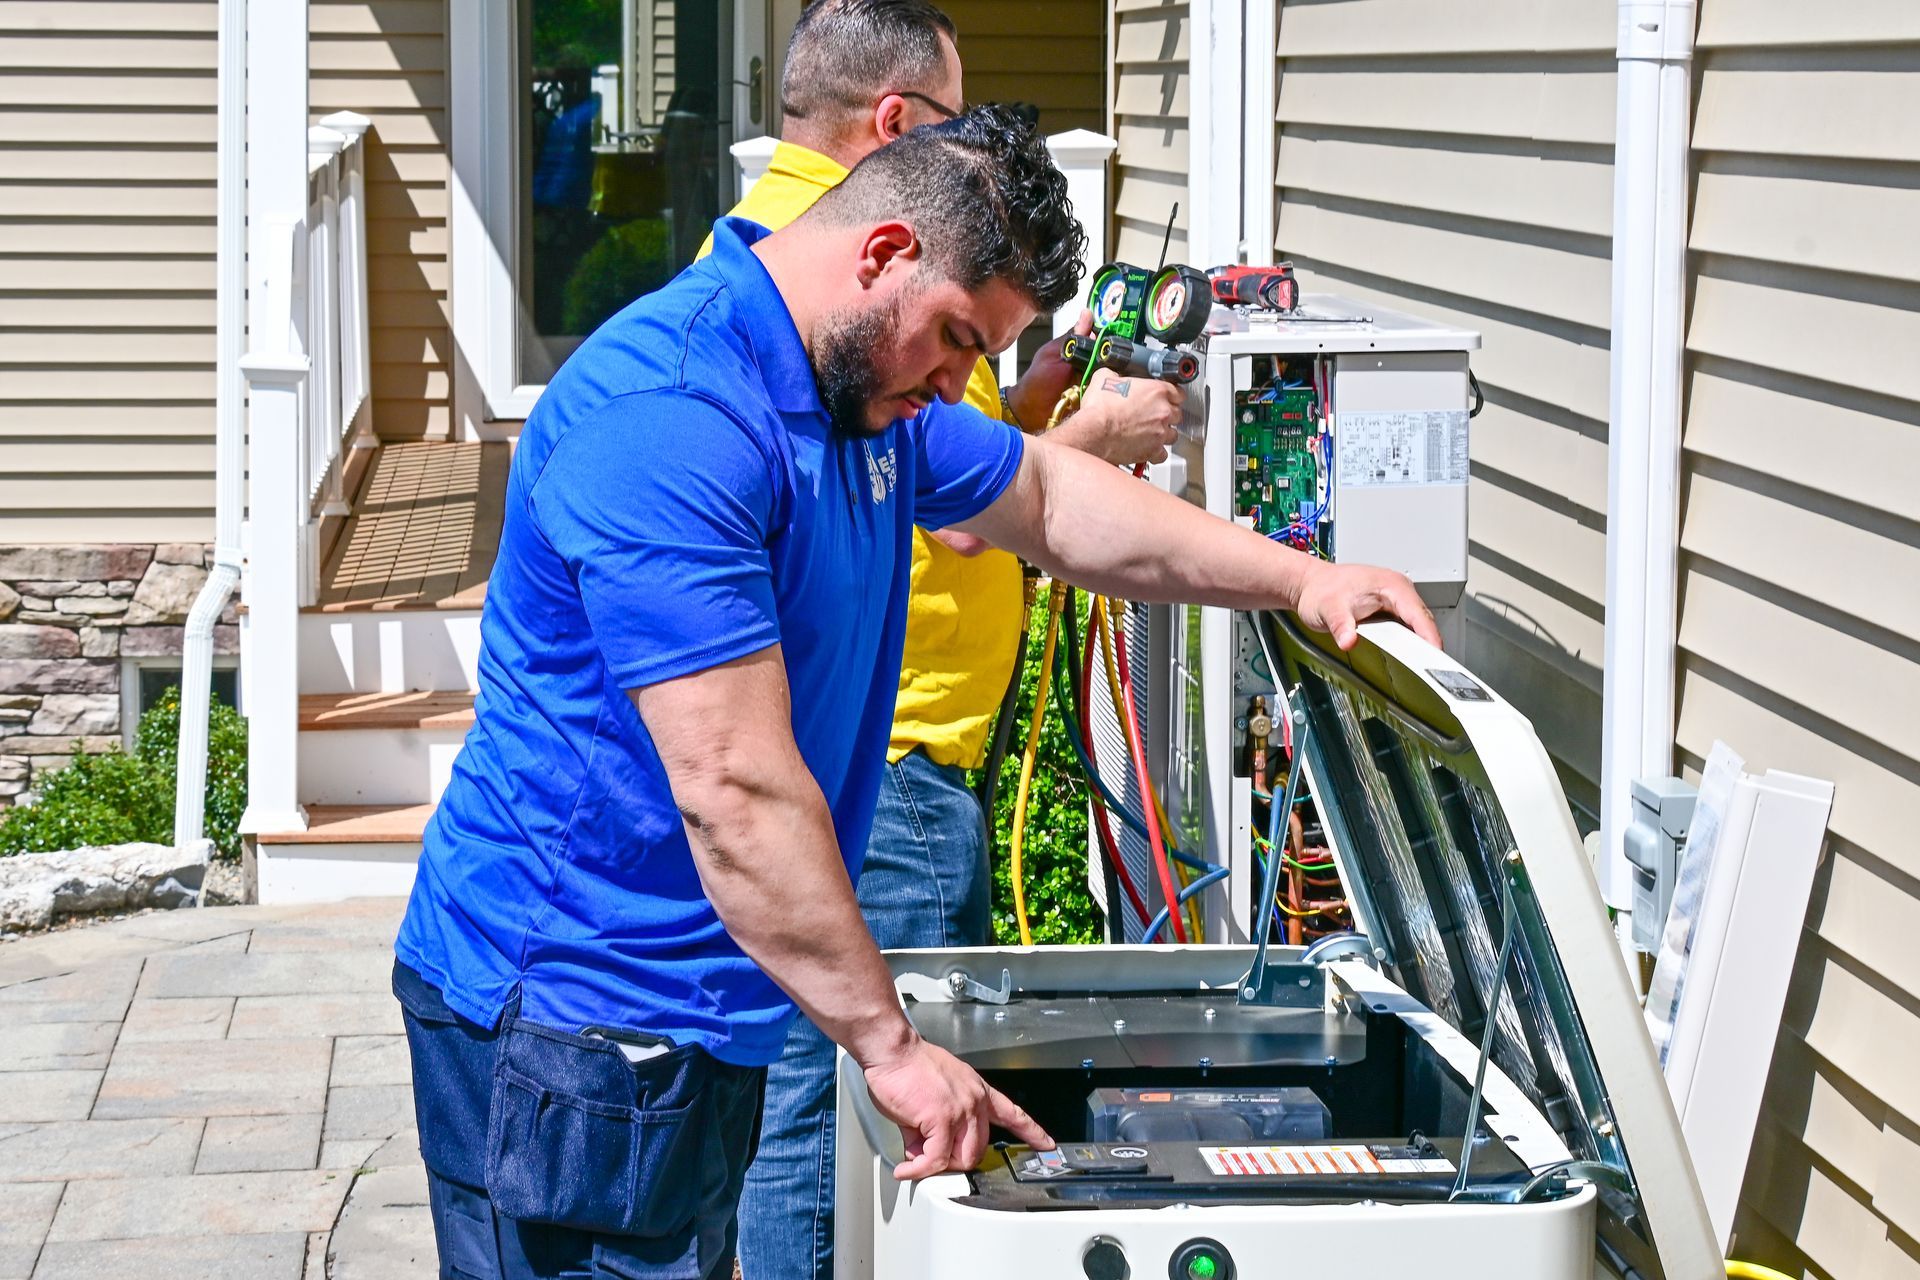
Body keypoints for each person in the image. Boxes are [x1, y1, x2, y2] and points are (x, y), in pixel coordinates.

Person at [394, 105, 1436, 1280]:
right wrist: (891, 1045)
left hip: (697, 1001)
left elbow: (1048, 500)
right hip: (577, 1020)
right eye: (953, 338)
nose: (960, 382)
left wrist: (1301, 578)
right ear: (883, 252)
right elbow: (732, 787)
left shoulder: (858, 394)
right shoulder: (673, 417)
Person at [703, 8, 1185, 1273]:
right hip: (899, 760)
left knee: (856, 1107)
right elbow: (972, 523)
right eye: (956, 120)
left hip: (913, 757)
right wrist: (1104, 434)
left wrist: (1031, 398)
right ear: (896, 126)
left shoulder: (803, 242)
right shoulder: (870, 277)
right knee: (824, 1121)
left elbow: (943, 452)